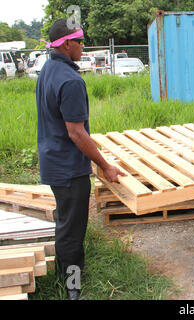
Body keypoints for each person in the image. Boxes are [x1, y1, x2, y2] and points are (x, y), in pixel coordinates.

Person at [37, 19, 125, 299]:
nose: (83, 46)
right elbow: (76, 133)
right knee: (73, 232)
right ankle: (73, 289)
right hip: (68, 168)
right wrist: (105, 165)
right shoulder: (71, 80)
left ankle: (65, 274)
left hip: (53, 161)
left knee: (65, 224)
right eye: (79, 41)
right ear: (66, 44)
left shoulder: (48, 70)